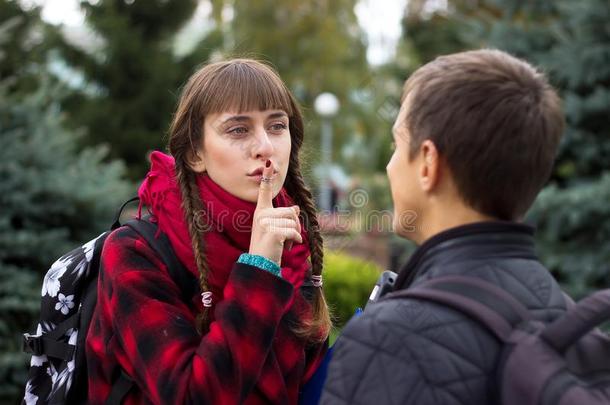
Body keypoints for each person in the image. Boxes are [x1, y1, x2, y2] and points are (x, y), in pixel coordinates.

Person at [320, 49, 565, 404]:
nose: (390, 166)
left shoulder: (389, 339)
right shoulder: (562, 313)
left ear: (428, 164)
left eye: (397, 144)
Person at [86, 59, 331, 404]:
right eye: (238, 130)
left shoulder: (291, 243)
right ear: (196, 154)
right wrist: (259, 270)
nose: (265, 146)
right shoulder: (135, 252)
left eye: (277, 126)